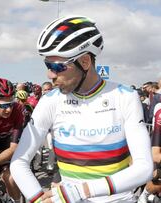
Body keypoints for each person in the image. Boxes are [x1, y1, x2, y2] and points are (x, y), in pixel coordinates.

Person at [10, 15, 153, 203]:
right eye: (47, 65)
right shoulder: (50, 101)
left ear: (85, 62)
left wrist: (80, 191)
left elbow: (144, 167)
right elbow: (19, 162)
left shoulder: (124, 96)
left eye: (57, 66)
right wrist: (37, 198)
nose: (50, 74)